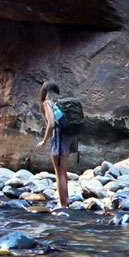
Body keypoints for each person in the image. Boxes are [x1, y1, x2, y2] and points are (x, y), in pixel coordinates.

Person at [39, 81, 75, 210]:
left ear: (43, 92)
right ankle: (66, 201)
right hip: (71, 137)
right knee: (63, 171)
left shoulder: (48, 103)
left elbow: (52, 124)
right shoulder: (63, 101)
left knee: (59, 173)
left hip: (60, 139)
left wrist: (44, 141)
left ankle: (63, 205)